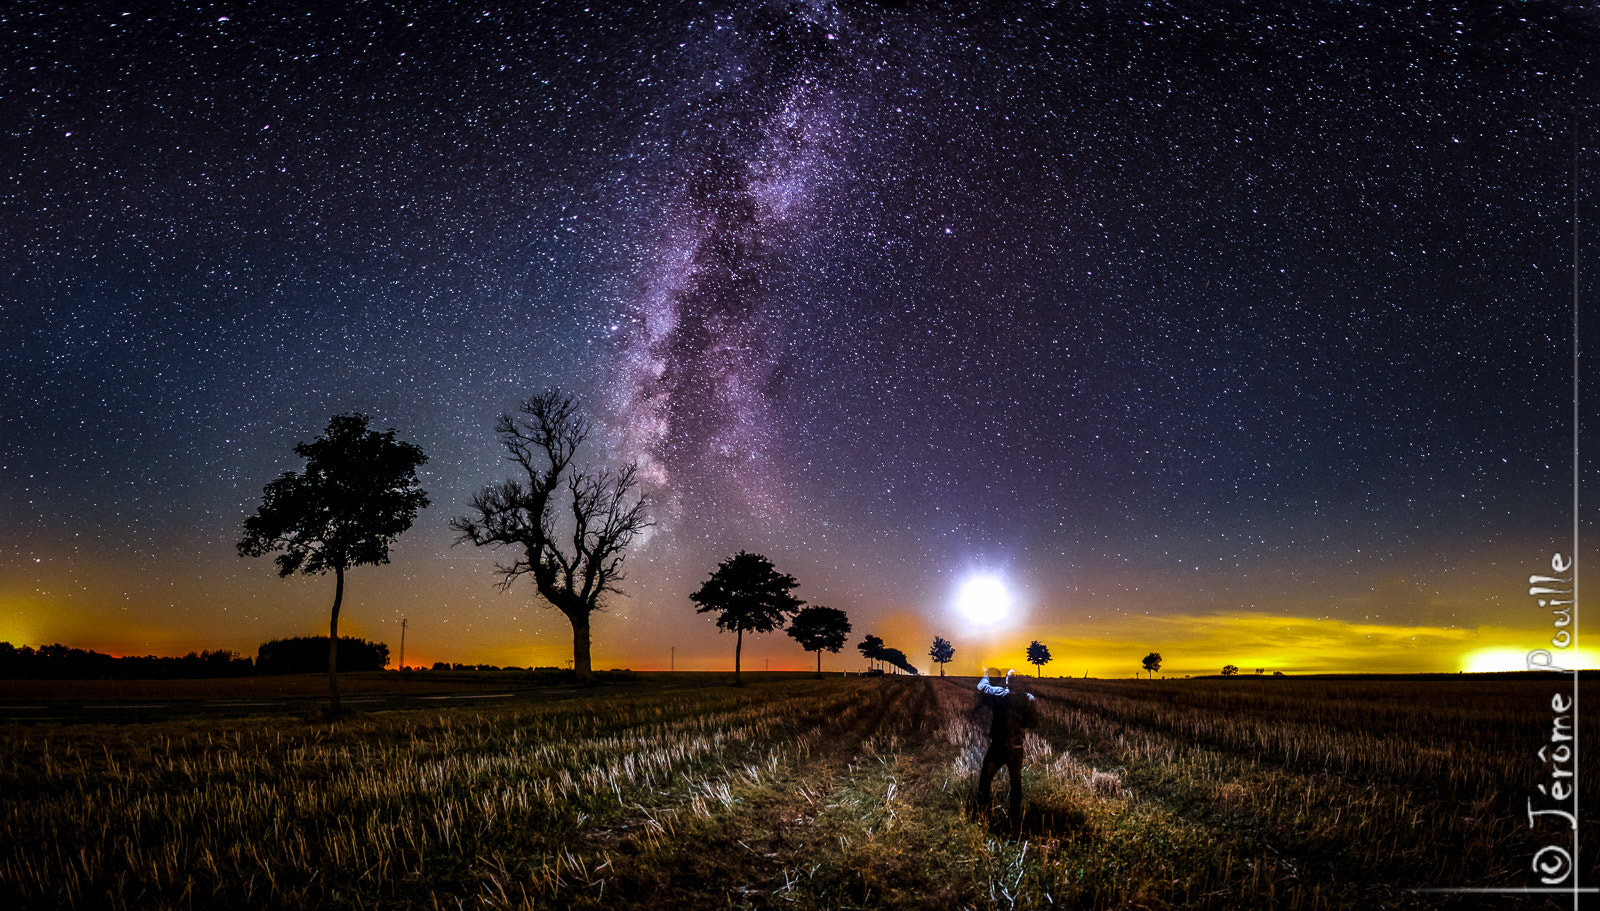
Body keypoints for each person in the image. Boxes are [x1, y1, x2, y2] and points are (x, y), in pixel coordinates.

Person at [975, 668, 1038, 826]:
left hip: (998, 746)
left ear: (1007, 681)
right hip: (1016, 746)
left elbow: (982, 688)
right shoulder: (1029, 698)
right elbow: (1033, 722)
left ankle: (982, 813)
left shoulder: (999, 694)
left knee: (985, 778)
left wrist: (986, 675)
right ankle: (1014, 817)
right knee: (1015, 781)